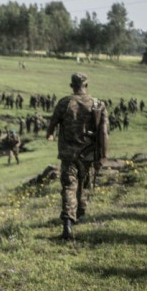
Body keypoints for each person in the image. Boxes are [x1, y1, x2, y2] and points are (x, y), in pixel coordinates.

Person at [46, 73, 108, 240]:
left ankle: (68, 220)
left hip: (68, 154)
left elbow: (52, 124)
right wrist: (102, 156)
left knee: (69, 186)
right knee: (83, 183)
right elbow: (103, 133)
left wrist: (50, 134)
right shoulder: (98, 104)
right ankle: (80, 213)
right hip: (88, 154)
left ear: (71, 86)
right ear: (86, 85)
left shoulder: (64, 103)